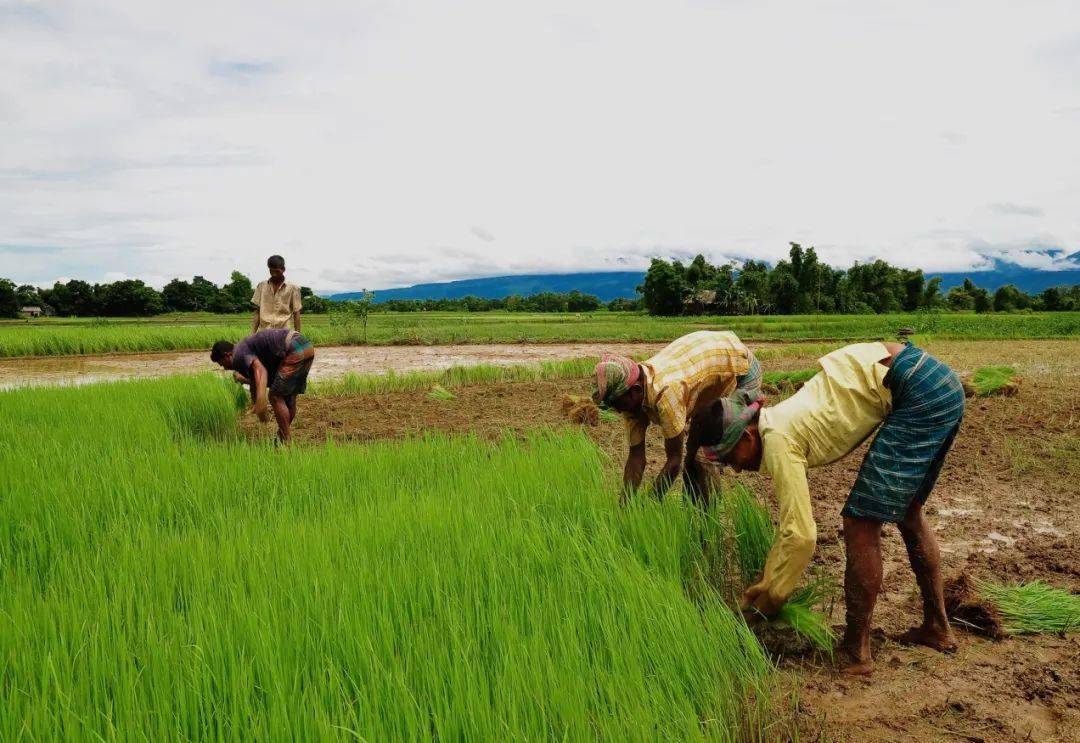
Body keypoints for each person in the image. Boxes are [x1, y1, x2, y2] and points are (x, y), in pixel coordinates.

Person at [688, 341, 965, 675]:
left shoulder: (777, 439)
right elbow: (794, 530)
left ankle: (855, 651)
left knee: (859, 523)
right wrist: (767, 585)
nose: (734, 470)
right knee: (908, 512)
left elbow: (801, 535)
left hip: (916, 388)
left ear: (747, 437)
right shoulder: (777, 423)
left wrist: (769, 600)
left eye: (730, 458)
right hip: (935, 381)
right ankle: (937, 626)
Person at [591, 330, 761, 502]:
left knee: (703, 455)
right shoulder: (631, 397)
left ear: (635, 391)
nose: (618, 411)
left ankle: (709, 518)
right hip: (702, 373)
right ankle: (693, 509)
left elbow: (674, 461)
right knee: (692, 455)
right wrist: (625, 505)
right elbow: (636, 457)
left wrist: (648, 505)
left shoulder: (666, 393)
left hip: (741, 368)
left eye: (618, 405)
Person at [211, 328, 315, 444]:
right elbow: (259, 381)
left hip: (294, 349)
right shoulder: (244, 348)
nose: (225, 368)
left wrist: (261, 402)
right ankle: (281, 439)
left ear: (227, 355)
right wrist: (254, 400)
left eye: (222, 364)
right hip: (305, 346)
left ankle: (286, 442)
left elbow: (260, 371)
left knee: (275, 396)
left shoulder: (238, 355)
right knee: (288, 397)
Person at [251, 255, 302, 332]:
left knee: (304, 344)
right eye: (271, 271)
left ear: (283, 269)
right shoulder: (261, 286)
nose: (274, 274)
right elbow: (258, 312)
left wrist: (298, 335)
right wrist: (252, 334)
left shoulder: (293, 288)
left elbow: (296, 313)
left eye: (277, 271)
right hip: (264, 333)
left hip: (283, 333)